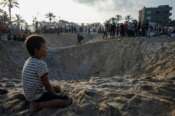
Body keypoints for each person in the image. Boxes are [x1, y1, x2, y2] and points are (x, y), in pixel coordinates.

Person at [22, 35, 72, 112]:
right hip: (36, 96)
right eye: (44, 47)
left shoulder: (29, 60)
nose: (47, 49)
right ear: (36, 50)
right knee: (66, 100)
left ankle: (36, 102)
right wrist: (55, 95)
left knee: (57, 88)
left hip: (28, 95)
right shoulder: (41, 64)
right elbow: (46, 84)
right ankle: (38, 105)